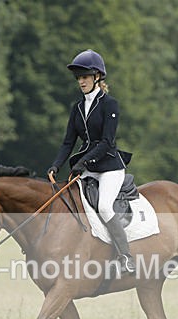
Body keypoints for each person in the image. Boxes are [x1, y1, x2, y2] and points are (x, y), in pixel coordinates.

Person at [47, 49, 135, 275]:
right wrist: (56, 165)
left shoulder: (109, 104)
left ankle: (125, 258)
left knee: (104, 206)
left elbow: (106, 142)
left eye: (85, 76)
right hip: (87, 168)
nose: (81, 81)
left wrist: (83, 162)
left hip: (109, 168)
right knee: (71, 204)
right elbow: (68, 142)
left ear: (97, 77)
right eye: (78, 77)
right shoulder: (77, 107)